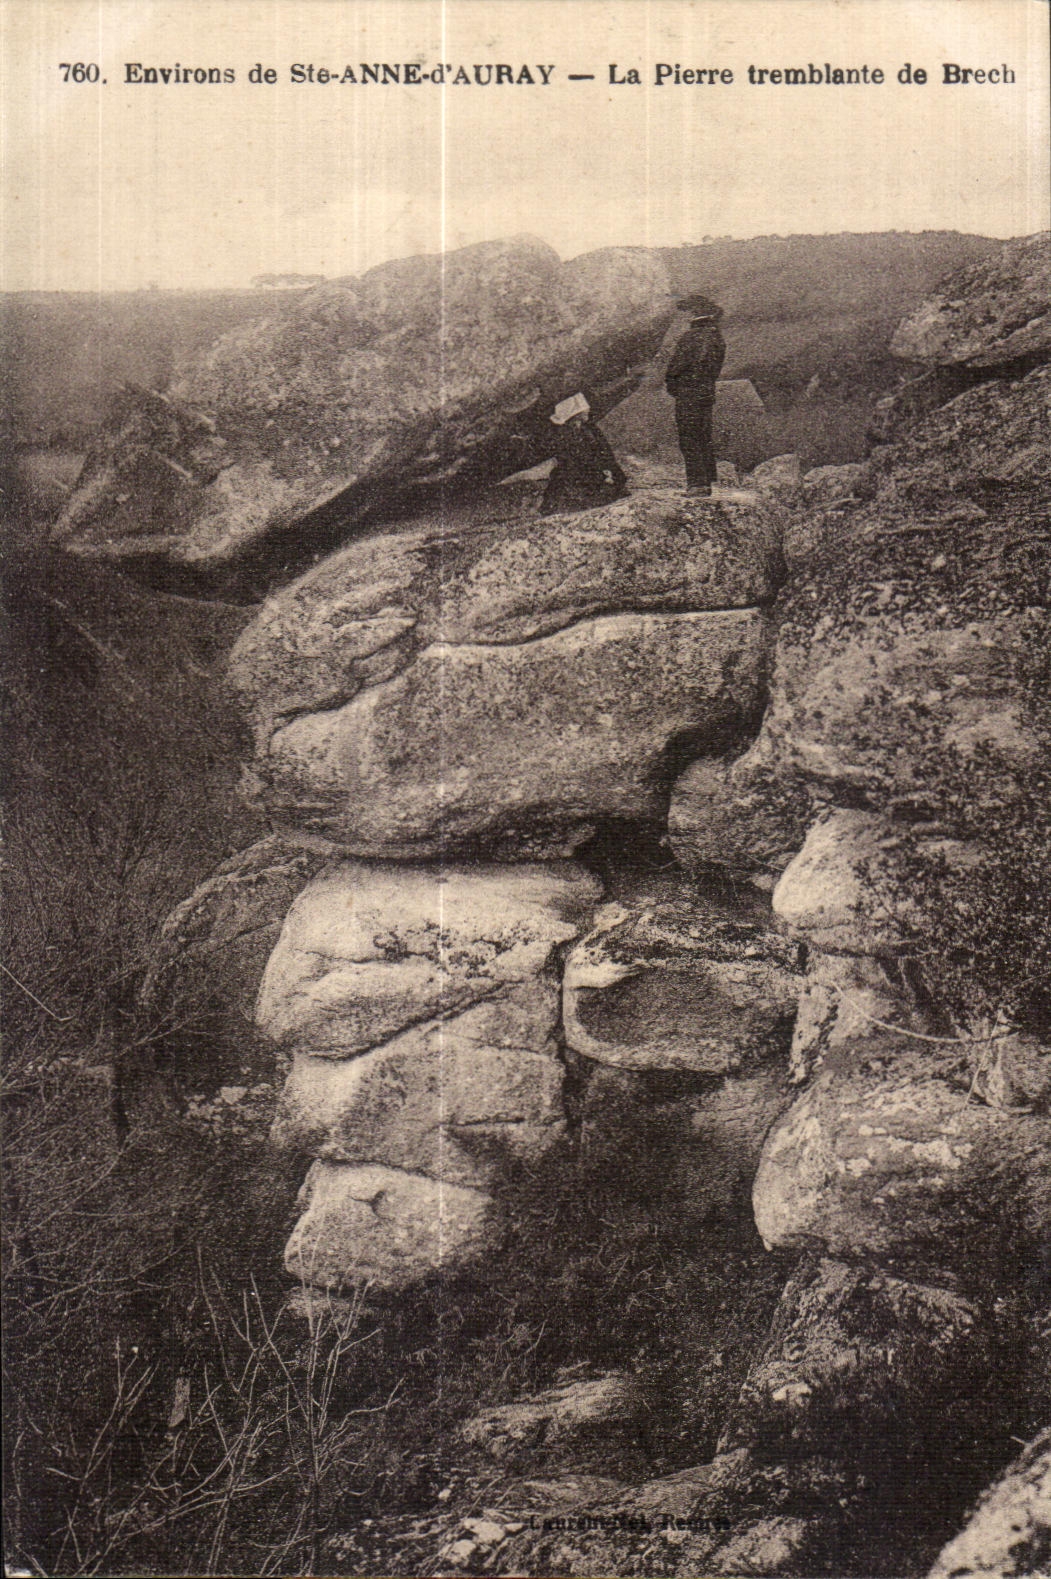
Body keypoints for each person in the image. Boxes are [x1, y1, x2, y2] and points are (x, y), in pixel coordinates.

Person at [664, 295, 726, 495]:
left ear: (694, 314)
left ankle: (697, 484)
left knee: (688, 436)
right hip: (706, 391)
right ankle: (708, 479)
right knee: (703, 434)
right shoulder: (717, 337)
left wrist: (672, 384)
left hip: (688, 391)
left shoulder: (690, 337)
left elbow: (675, 367)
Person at [540, 393, 628, 516]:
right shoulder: (564, 433)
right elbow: (569, 458)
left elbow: (604, 451)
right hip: (577, 472)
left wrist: (611, 469)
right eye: (583, 410)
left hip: (592, 470)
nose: (587, 411)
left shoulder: (590, 429)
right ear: (575, 415)